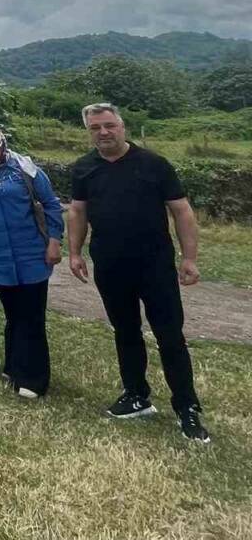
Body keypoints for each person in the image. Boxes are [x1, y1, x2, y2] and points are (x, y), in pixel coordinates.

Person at [68, 103, 210, 442]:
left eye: (109, 125)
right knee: (125, 331)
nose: (103, 132)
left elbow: (182, 211)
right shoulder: (84, 169)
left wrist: (189, 259)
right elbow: (77, 212)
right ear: (89, 131)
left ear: (122, 126)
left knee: (170, 335)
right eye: (95, 128)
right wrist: (74, 253)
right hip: (111, 264)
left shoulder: (154, 164)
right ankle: (136, 395)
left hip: (155, 265)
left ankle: (187, 408)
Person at [0, 123, 64, 400]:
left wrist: (54, 240)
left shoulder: (25, 169)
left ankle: (35, 379)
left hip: (30, 253)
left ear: (2, 142)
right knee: (14, 315)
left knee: (32, 316)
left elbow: (51, 204)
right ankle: (14, 367)